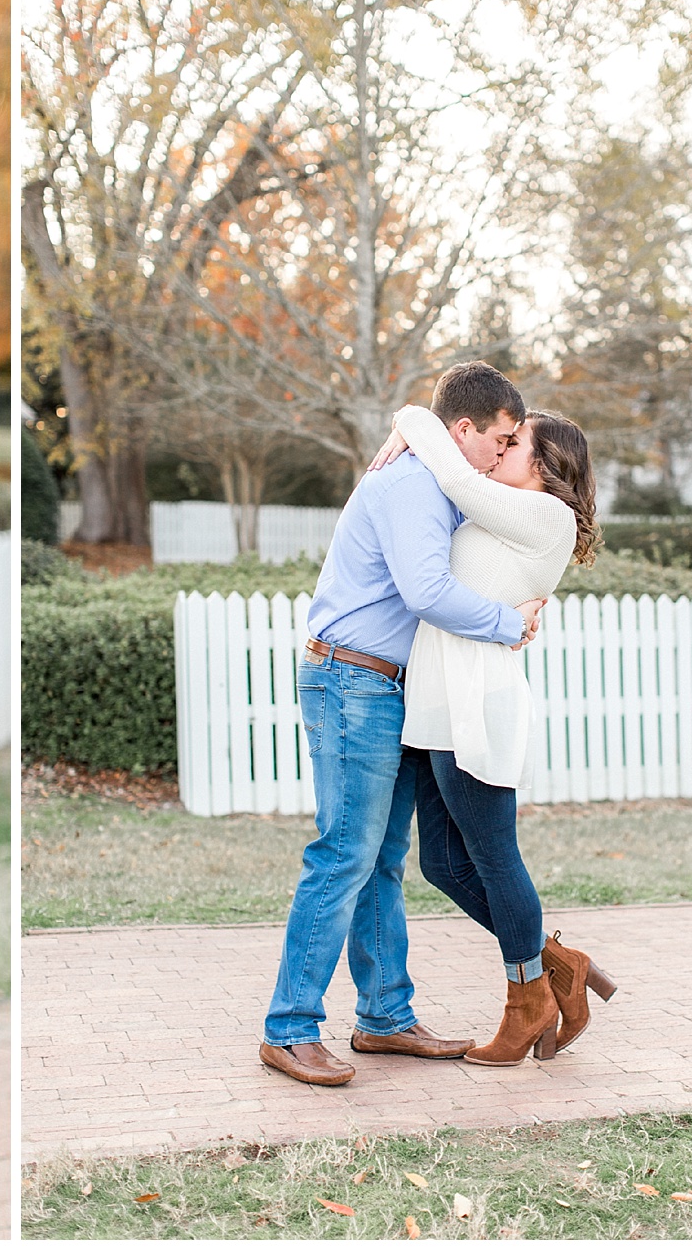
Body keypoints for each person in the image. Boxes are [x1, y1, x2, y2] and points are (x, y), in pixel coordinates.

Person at [260, 361, 547, 1089]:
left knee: (382, 858)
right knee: (344, 854)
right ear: (465, 430)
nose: (503, 451)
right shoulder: (414, 484)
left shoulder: (438, 478)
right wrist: (504, 624)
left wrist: (409, 422)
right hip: (350, 677)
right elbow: (426, 590)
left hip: (385, 685)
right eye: (501, 437)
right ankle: (289, 1028)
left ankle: (385, 1018)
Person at [370, 401, 617, 1065]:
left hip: (476, 701)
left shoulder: (547, 514)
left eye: (514, 443)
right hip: (434, 700)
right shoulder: (499, 513)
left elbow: (454, 477)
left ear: (543, 463)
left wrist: (409, 418)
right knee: (442, 863)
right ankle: (557, 963)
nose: (499, 449)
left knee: (495, 856)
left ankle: (526, 997)